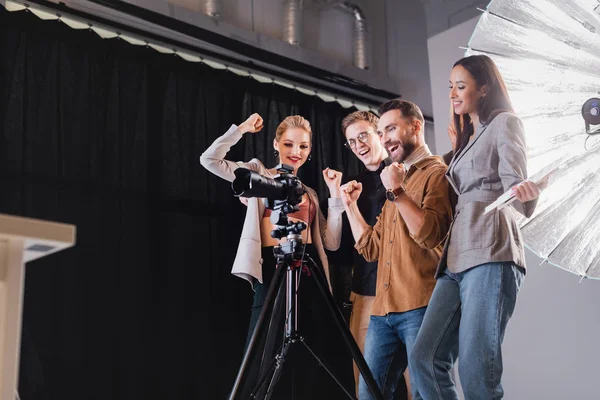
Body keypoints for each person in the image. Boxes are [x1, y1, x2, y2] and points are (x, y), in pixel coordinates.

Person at [410, 54, 541, 399]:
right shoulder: (468, 137)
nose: (453, 93)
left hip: (490, 247)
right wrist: (457, 148)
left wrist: (526, 194)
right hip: (455, 255)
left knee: (476, 369)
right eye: (450, 86)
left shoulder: (505, 123)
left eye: (461, 86)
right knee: (425, 357)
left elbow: (515, 185)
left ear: (483, 89)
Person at [200, 113, 345, 399]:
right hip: (273, 268)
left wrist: (336, 196)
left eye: (303, 147)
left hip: (309, 273)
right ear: (276, 144)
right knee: (261, 352)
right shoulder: (259, 175)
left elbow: (332, 243)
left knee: (307, 359)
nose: (296, 152)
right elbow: (210, 159)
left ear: (310, 151)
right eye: (289, 144)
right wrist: (241, 129)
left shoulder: (311, 193)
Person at [340, 100, 453, 400]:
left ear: (416, 126)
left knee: (426, 392)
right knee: (369, 394)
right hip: (382, 311)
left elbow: (429, 235)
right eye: (382, 131)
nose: (386, 138)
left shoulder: (437, 173)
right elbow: (371, 248)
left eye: (390, 129)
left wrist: (398, 191)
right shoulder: (396, 178)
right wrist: (349, 206)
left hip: (421, 306)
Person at [339, 110, 410, 399]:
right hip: (366, 292)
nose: (358, 145)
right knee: (366, 381)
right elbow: (344, 245)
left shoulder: (406, 173)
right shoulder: (350, 186)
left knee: (420, 379)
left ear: (379, 134)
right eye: (352, 142)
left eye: (363, 136)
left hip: (407, 290)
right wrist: (342, 201)